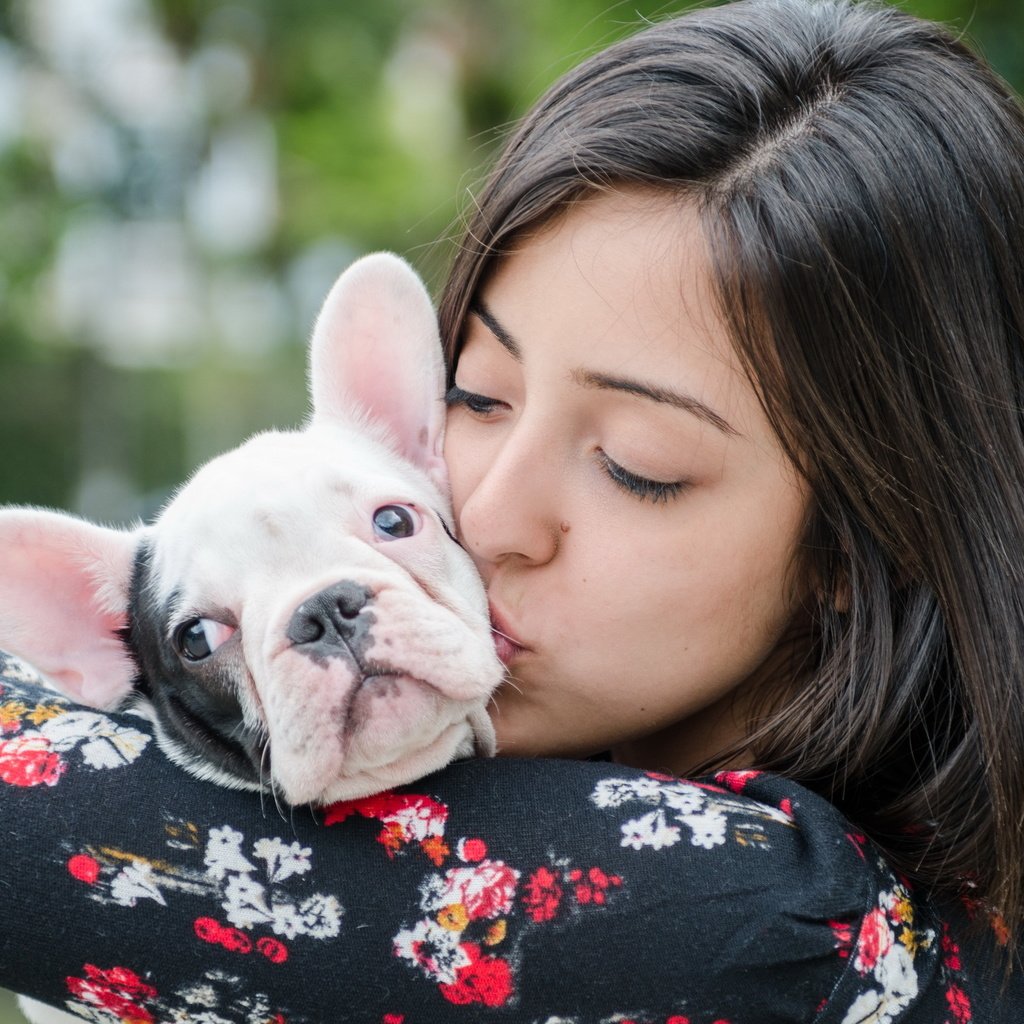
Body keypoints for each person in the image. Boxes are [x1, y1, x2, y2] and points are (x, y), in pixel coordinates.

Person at [1, 0, 1023, 1019]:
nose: (483, 516)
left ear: (869, 542)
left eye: (635, 464)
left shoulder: (768, 931)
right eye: (477, 396)